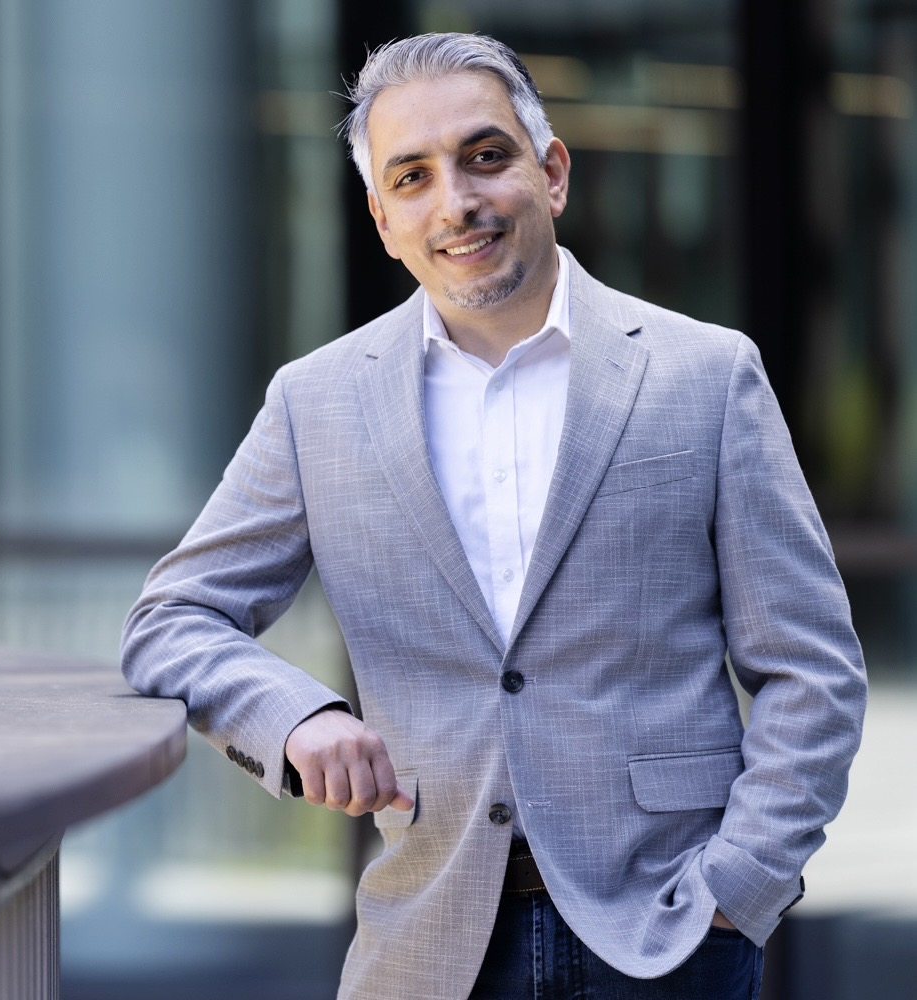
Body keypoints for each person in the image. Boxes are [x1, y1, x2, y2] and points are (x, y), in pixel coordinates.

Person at [120, 31, 867, 1000]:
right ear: (383, 219)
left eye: (485, 157)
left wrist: (741, 884)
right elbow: (171, 620)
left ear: (550, 172)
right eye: (414, 176)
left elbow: (813, 667)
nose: (457, 202)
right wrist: (296, 718)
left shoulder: (706, 375)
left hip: (666, 939)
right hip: (427, 942)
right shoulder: (319, 401)